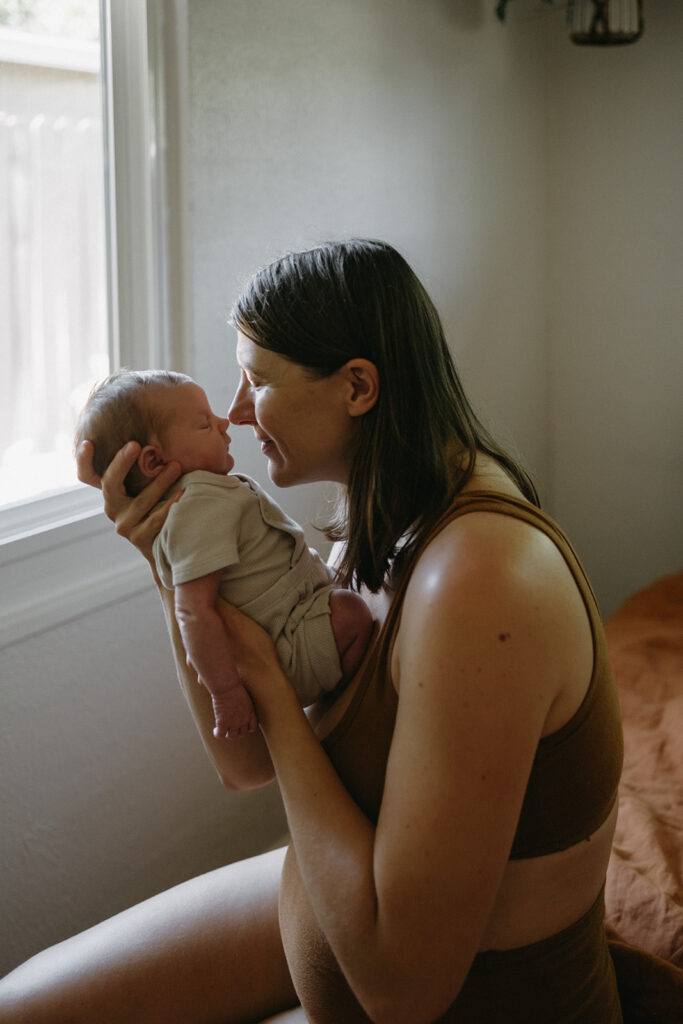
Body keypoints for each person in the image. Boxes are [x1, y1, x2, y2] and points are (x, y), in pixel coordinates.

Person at [0, 239, 624, 1023]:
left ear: (357, 387)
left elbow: (402, 990)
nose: (231, 410)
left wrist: (260, 675)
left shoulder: (478, 582)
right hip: (312, 909)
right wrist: (171, 562)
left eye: (256, 379)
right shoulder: (376, 513)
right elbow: (243, 760)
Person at [74, 369, 373, 739]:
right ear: (153, 462)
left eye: (260, 380)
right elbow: (193, 610)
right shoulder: (196, 505)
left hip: (296, 618)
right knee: (351, 614)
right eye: (203, 424)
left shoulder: (204, 496)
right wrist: (227, 693)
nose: (224, 420)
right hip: (287, 644)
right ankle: (347, 718)